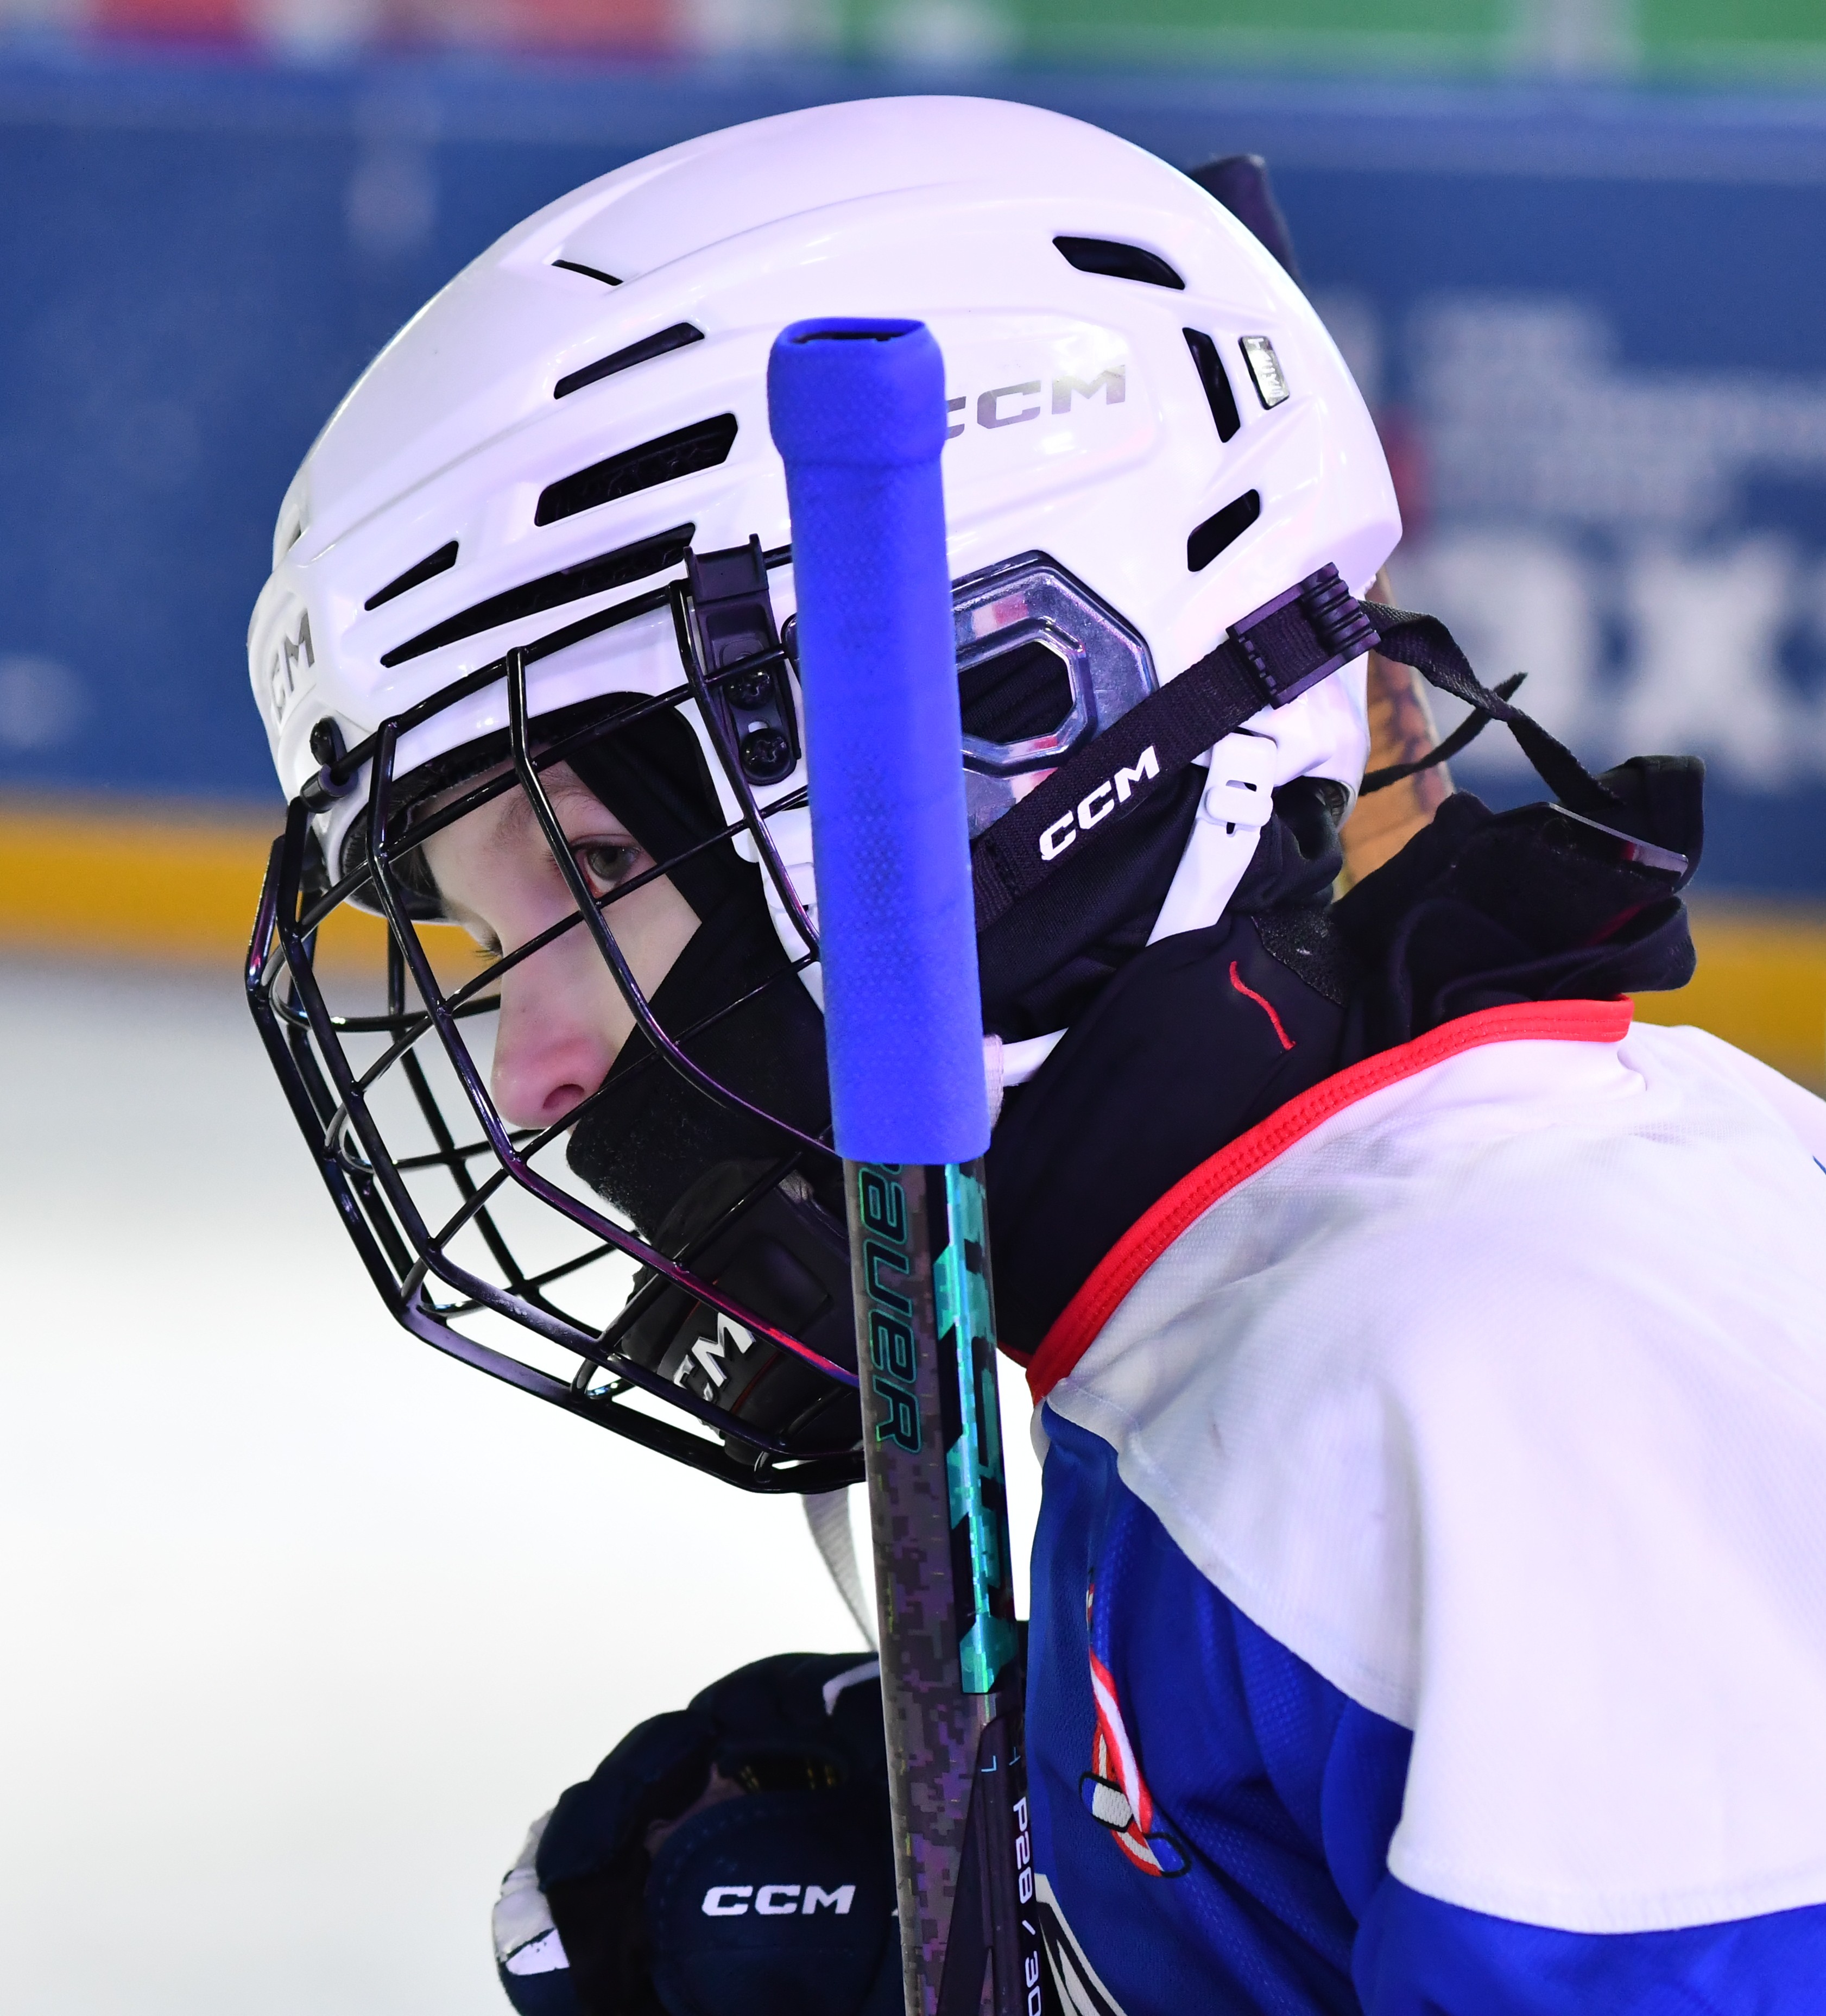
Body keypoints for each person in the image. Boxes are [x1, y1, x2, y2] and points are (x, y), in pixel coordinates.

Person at [245, 96, 1826, 2015]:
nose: (528, 1071)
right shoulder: (1240, 1311)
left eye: (589, 872)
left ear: (1017, 702)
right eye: (496, 946)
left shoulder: (1526, 1373)